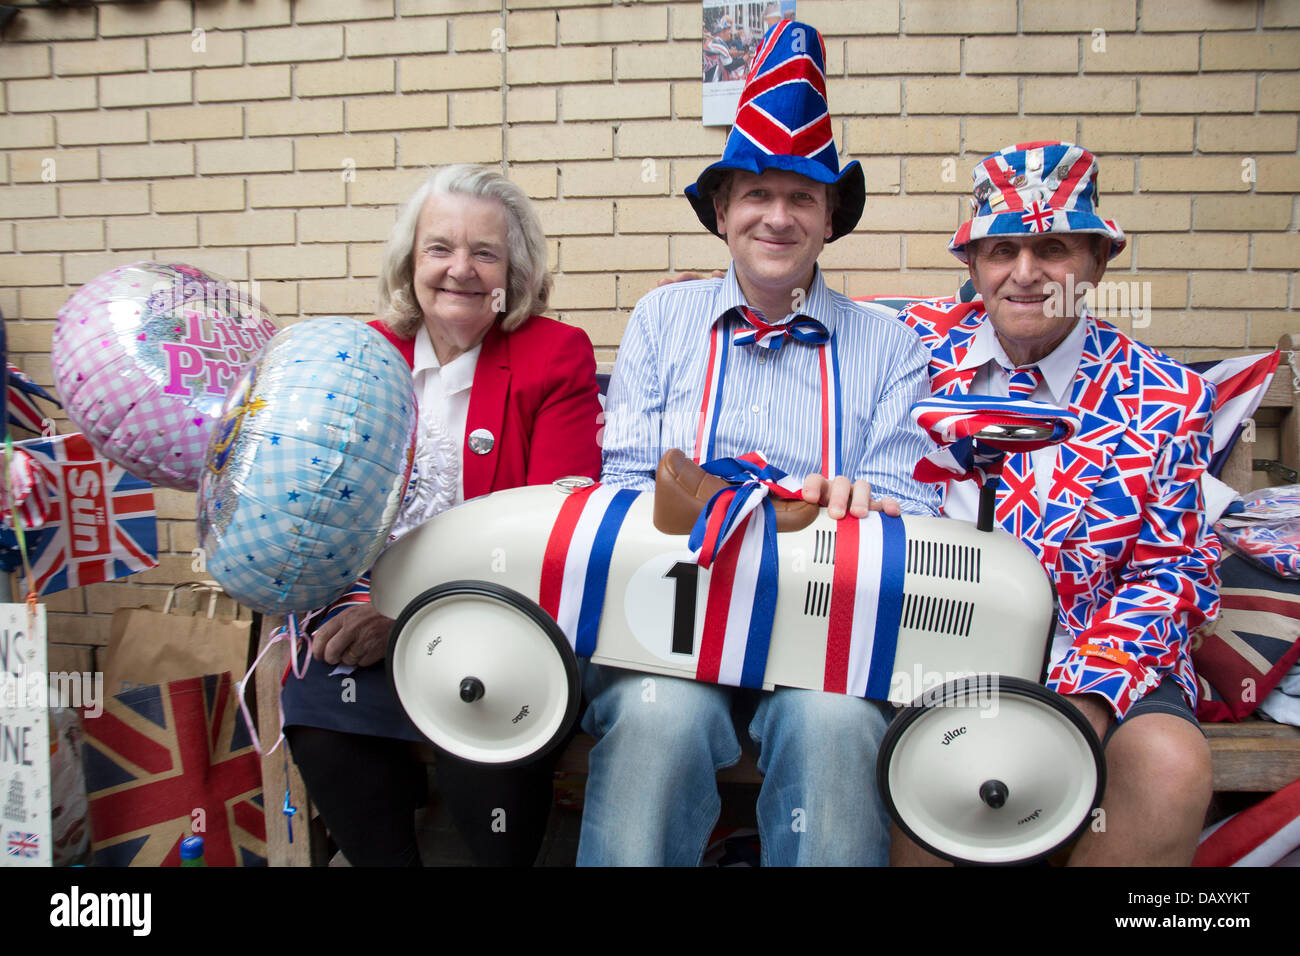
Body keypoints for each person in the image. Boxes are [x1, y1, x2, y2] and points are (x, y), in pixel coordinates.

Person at [585, 20, 939, 866]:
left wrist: (867, 502)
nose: (777, 217)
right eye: (756, 195)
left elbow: (911, 506)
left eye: (802, 198)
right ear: (722, 210)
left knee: (836, 728)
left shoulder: (891, 344)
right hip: (667, 627)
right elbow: (625, 486)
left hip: (831, 637)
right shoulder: (662, 321)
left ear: (828, 219)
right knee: (657, 721)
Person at [897, 142, 1220, 865]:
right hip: (937, 657)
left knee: (1167, 766)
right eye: (1001, 248)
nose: (1025, 273)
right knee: (923, 766)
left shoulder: (1166, 397)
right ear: (973, 268)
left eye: (1053, 248)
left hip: (1103, 656)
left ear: (1097, 262)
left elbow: (1173, 572)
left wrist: (1085, 699)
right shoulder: (907, 355)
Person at [280, 164, 603, 866]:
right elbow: (318, 500)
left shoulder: (555, 356)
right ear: (409, 263)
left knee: (480, 734)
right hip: (366, 607)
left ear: (513, 272)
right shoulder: (363, 355)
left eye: (485, 252)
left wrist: (408, 617)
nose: (460, 269)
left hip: (503, 617)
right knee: (322, 717)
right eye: (439, 249)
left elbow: (552, 525)